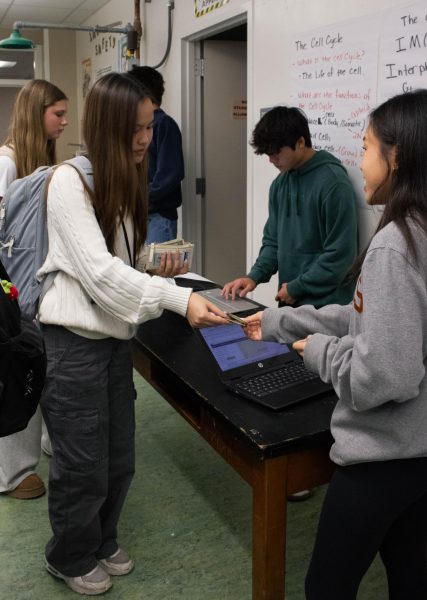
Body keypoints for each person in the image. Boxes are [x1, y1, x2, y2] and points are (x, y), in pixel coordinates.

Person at [38, 72, 228, 596]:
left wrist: (165, 271)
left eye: (150, 127)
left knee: (118, 452)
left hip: (113, 341)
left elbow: (124, 263)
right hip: (72, 344)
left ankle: (100, 539)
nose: (146, 139)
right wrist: (176, 298)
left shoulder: (124, 180)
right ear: (108, 126)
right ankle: (68, 554)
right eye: (137, 129)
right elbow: (100, 275)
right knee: (81, 461)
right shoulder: (67, 183)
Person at [243, 89, 427, 599]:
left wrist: (318, 353)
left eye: (367, 147)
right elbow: (368, 318)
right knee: (412, 579)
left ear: (399, 156)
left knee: (326, 586)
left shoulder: (396, 243)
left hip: (381, 456)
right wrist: (282, 322)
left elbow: (384, 373)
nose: (360, 161)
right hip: (418, 449)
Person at [0, 79, 68, 500]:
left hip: (34, 287)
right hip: (9, 291)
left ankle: (43, 444)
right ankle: (11, 473)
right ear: (34, 113)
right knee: (14, 371)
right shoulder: (6, 164)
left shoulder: (40, 161)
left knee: (40, 366)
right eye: (57, 114)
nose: (64, 121)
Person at [222, 106, 358, 308]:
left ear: (300, 142)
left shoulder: (334, 184)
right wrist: (253, 277)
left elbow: (341, 256)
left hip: (327, 307)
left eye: (276, 153)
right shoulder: (280, 185)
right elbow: (272, 242)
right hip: (290, 301)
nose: (271, 160)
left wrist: (298, 287)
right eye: (268, 155)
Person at [129, 65, 184, 243]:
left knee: (155, 271)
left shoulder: (165, 124)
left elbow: (170, 175)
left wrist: (137, 197)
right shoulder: (135, 126)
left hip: (158, 217)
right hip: (140, 214)